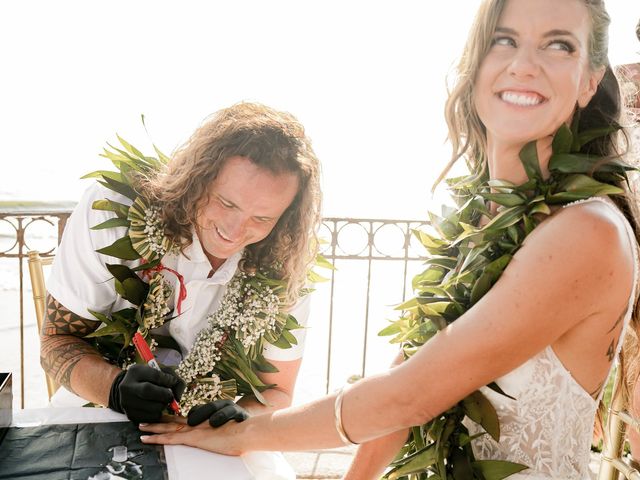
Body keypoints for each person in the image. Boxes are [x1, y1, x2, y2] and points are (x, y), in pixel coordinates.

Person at [139, 1, 640, 479]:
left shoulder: (586, 231)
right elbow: (405, 383)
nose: (524, 64)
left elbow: (408, 395)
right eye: (503, 39)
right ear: (476, 62)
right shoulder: (488, 221)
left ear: (590, 80)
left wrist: (241, 435)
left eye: (558, 45)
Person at [40, 102, 322, 424]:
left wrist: (242, 417)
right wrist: (114, 388)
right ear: (198, 178)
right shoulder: (114, 210)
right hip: (93, 415)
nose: (233, 232)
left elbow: (278, 391)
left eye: (261, 218)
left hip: (208, 439)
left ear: (284, 219)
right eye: (226, 202)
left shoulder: (285, 270)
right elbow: (56, 342)